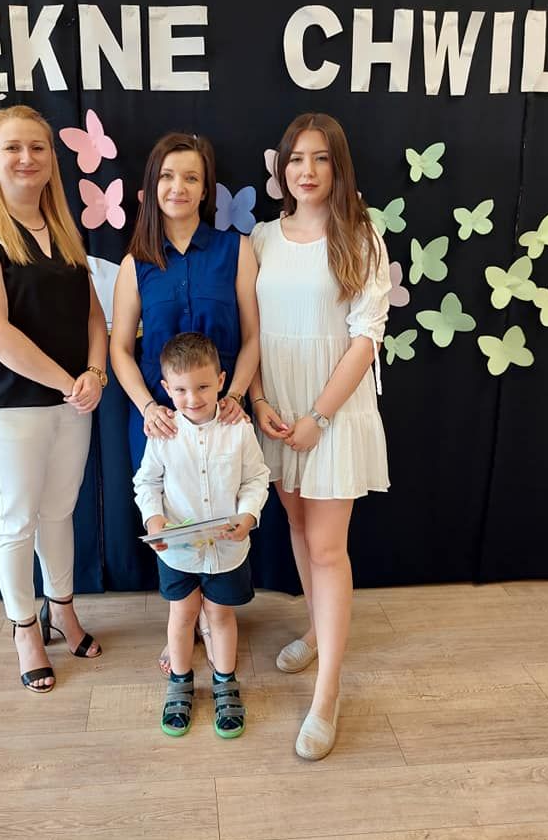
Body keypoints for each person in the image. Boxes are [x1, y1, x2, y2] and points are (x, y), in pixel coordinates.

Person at [0, 105, 108, 694]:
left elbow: (94, 315)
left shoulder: (63, 229)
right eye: (13, 148)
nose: (27, 158)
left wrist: (95, 372)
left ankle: (61, 609)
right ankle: (24, 627)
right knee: (17, 518)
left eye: (38, 147)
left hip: (74, 400)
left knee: (59, 511)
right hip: (13, 404)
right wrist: (70, 382)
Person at [249, 112, 390, 759]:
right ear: (282, 167)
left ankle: (327, 692)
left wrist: (320, 418)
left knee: (329, 548)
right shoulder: (261, 237)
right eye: (296, 158)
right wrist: (259, 401)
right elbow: (253, 331)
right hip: (277, 412)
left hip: (331, 412)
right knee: (299, 528)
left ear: (338, 165)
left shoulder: (360, 235)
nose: (306, 171)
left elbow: (366, 339)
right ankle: (314, 629)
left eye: (320, 158)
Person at [111, 132, 260, 674]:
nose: (179, 187)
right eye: (168, 176)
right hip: (161, 422)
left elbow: (253, 336)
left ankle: (213, 621)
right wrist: (147, 407)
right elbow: (119, 349)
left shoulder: (235, 250)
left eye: (191, 177)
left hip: (223, 413)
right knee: (172, 517)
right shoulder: (136, 263)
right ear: (152, 186)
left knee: (221, 510)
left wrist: (236, 394)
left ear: (206, 188)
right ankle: (182, 624)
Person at [133, 332, 269, 737]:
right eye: (180, 390)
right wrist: (153, 520)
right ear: (166, 388)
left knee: (221, 616)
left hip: (227, 550)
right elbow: (147, 483)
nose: (192, 399)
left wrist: (248, 515)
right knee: (182, 615)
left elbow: (256, 479)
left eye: (203, 387)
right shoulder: (163, 433)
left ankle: (225, 682)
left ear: (222, 380)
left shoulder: (239, 430)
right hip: (177, 552)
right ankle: (180, 682)